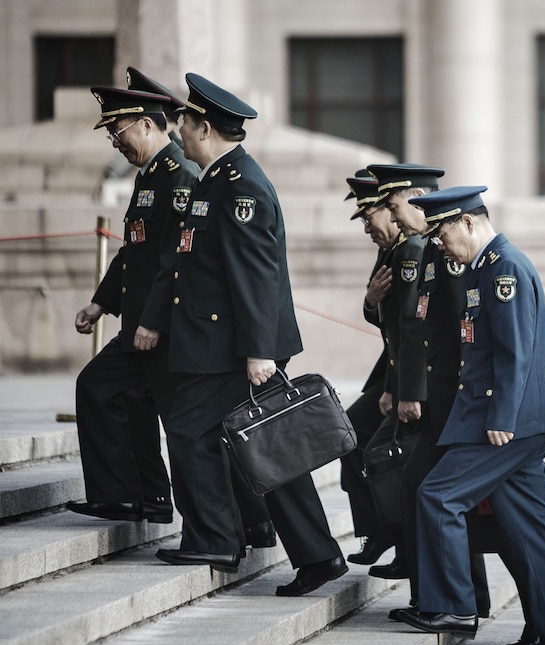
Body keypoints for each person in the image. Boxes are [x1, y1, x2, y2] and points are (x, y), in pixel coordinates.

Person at [156, 73, 345, 596]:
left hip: (233, 350)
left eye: (186, 126)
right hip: (222, 345)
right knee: (271, 447)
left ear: (206, 127)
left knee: (193, 431)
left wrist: (260, 351)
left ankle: (216, 538)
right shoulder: (218, 179)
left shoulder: (241, 187)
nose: (180, 135)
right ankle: (317, 554)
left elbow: (256, 275)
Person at [398, 186, 545, 645]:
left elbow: (514, 351)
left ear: (467, 222)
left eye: (442, 230)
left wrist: (502, 417)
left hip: (508, 422)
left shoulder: (502, 267)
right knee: (530, 530)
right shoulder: (484, 269)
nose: (438, 242)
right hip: (514, 420)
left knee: (437, 495)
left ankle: (454, 607)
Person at [66, 76, 198, 525]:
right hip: (139, 323)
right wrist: (100, 303)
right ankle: (141, 498)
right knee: (110, 391)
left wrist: (153, 321)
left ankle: (236, 524)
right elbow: (134, 250)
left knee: (178, 425)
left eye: (117, 132)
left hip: (163, 328)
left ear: (145, 124)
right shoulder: (150, 175)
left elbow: (174, 261)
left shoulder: (180, 175)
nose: (114, 143)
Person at [361, 163, 442, 582]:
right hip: (408, 384)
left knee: (412, 479)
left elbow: (414, 328)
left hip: (423, 390)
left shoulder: (416, 248)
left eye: (391, 207)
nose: (389, 217)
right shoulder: (407, 247)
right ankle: (399, 549)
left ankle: (407, 555)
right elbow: (396, 327)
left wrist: (406, 390)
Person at [337, 175, 397, 566]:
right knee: (347, 438)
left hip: (405, 379)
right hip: (391, 374)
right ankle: (377, 533)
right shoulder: (388, 250)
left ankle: (391, 536)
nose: (367, 227)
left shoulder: (414, 248)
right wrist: (371, 301)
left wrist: (400, 387)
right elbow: (382, 315)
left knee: (378, 453)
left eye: (370, 215)